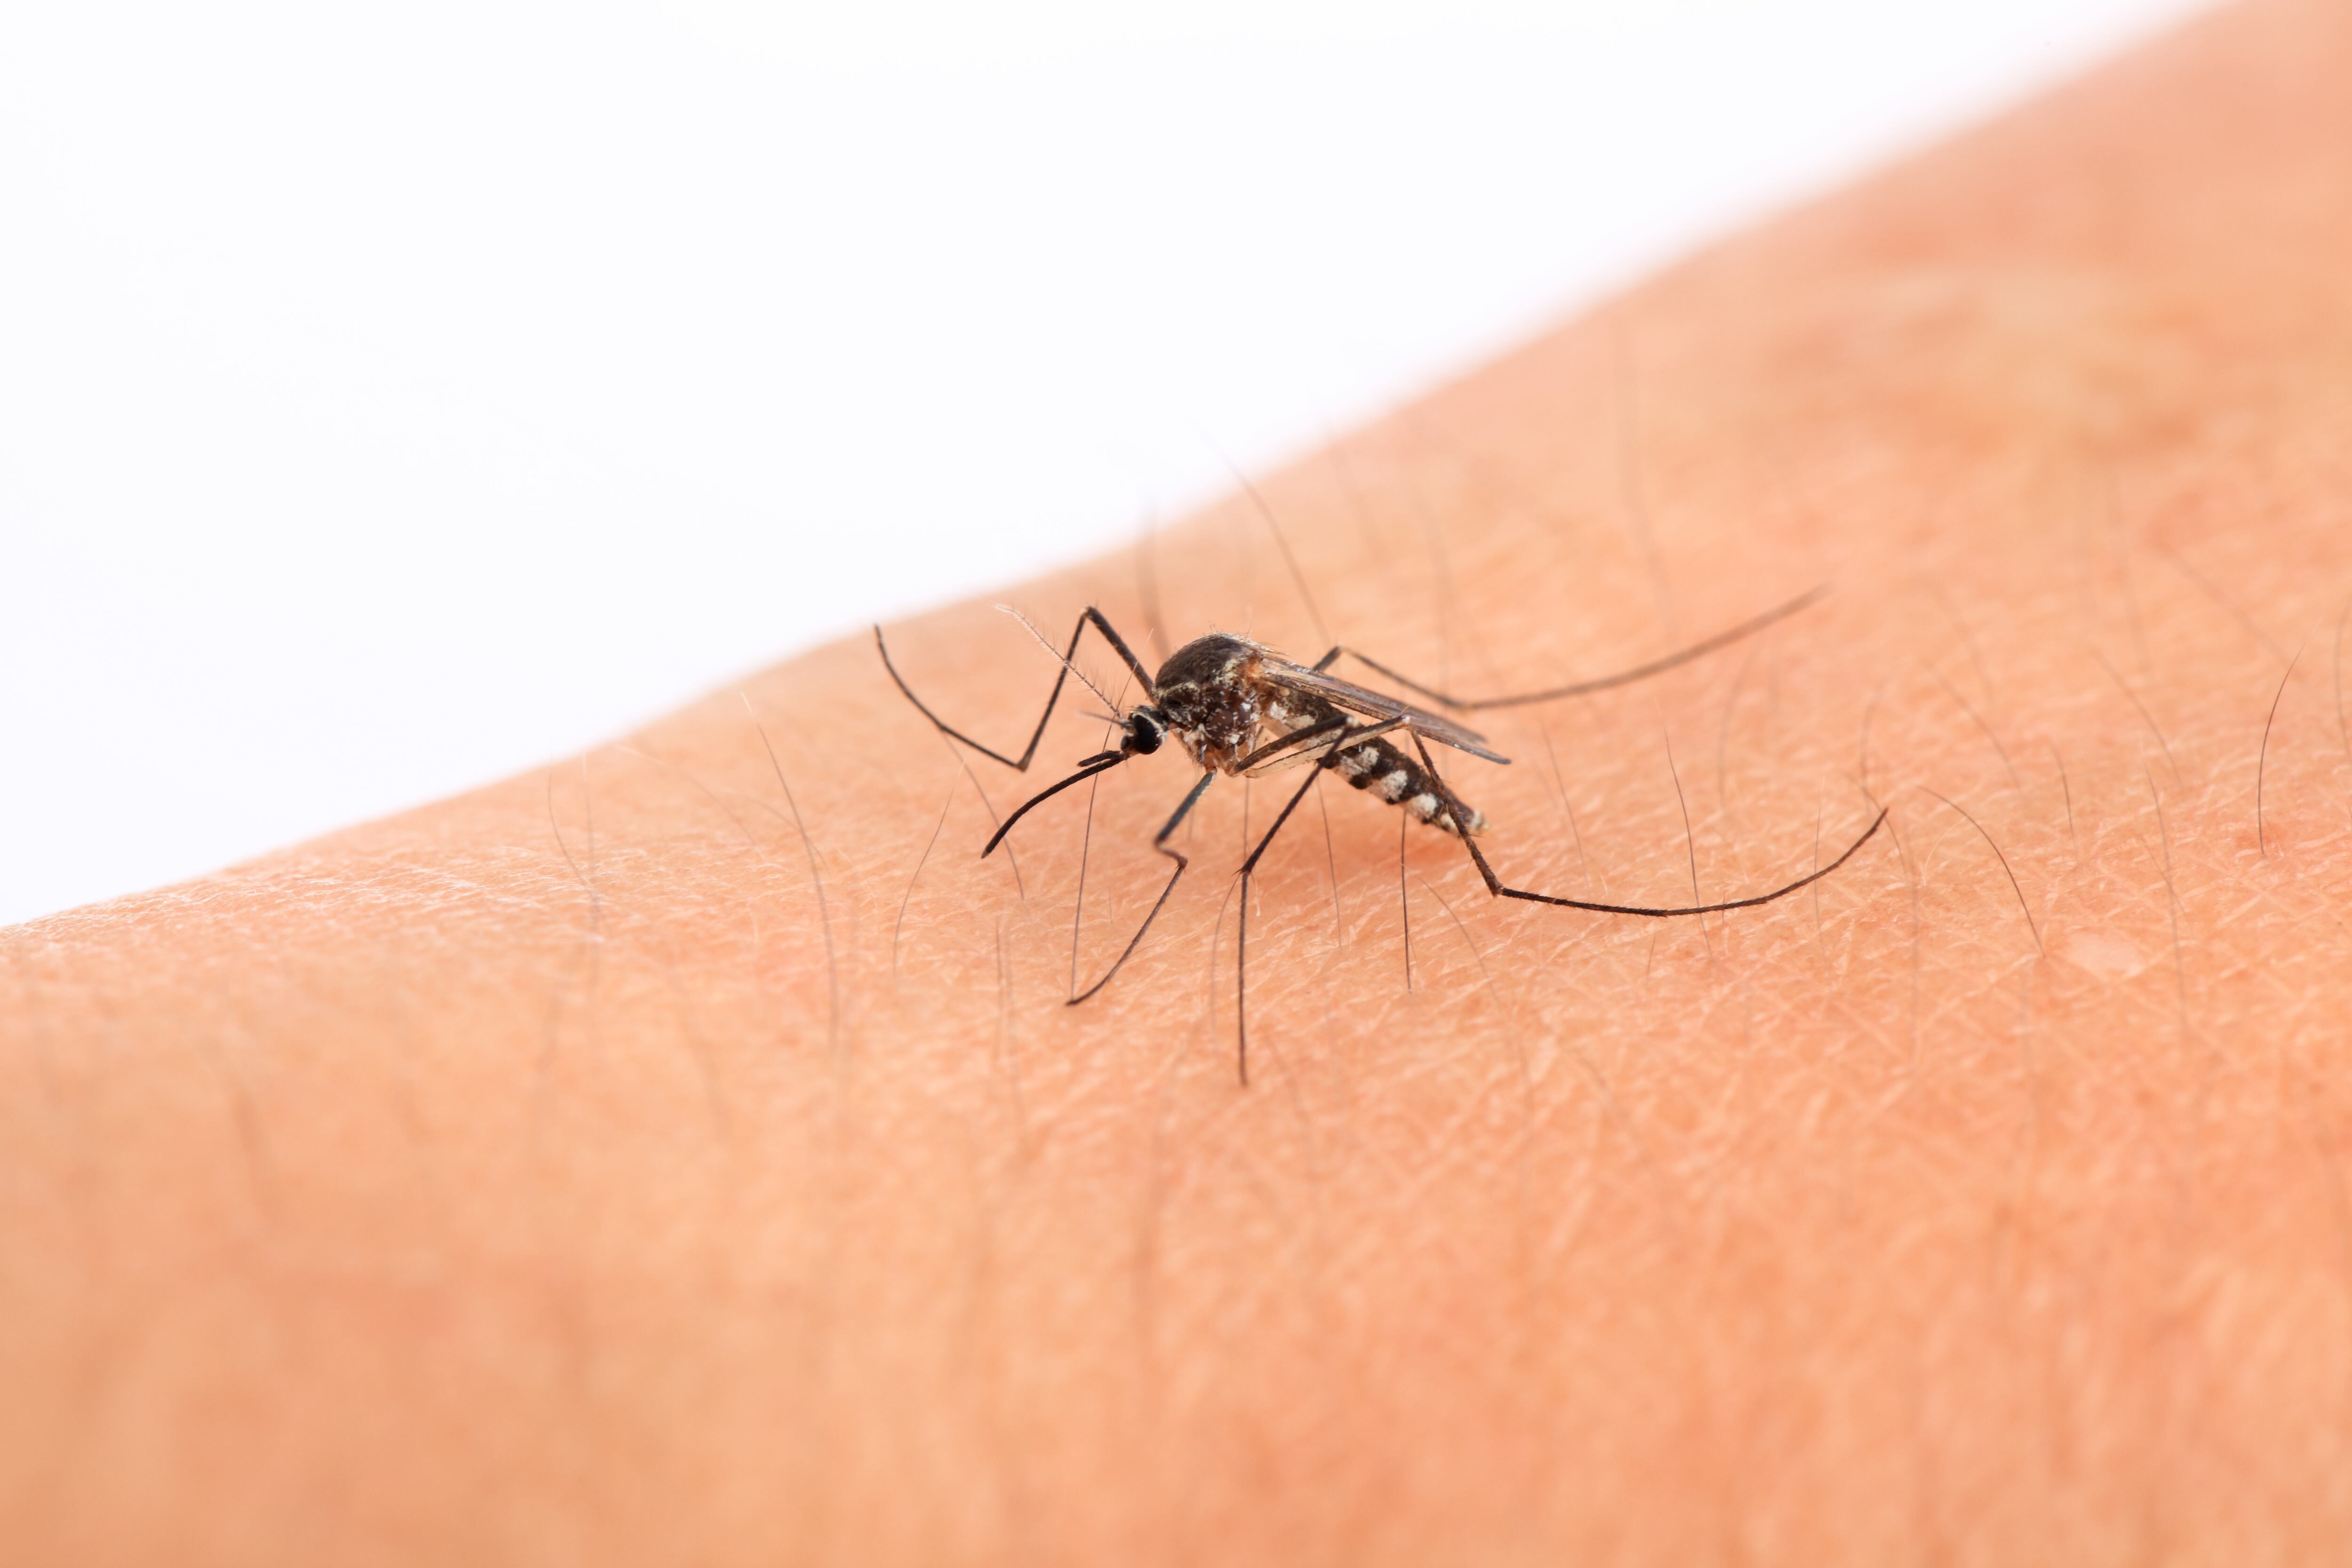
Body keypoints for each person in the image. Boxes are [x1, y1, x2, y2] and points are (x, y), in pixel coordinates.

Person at [8, 0, 2351, 1559]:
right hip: (1305, 678)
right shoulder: (1171, 681)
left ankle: (1506, 819)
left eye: (1146, 741)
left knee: (1323, 762)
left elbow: (1279, 720)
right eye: (1134, 737)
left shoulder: (1264, 729)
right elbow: (1174, 695)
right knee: (1223, 721)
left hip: (1350, 708)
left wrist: (1226, 863)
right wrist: (1054, 766)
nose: (1146, 753)